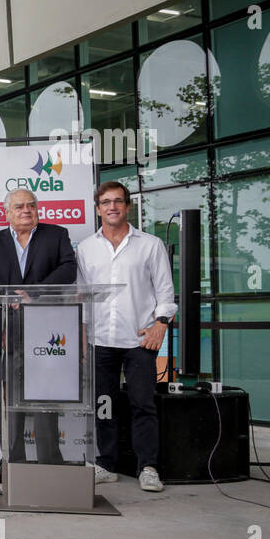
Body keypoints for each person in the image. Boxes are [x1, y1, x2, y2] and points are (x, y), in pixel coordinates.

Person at [76, 180, 176, 493]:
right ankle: (106, 464)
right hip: (100, 340)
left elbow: (165, 292)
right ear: (97, 209)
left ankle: (148, 467)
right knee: (103, 404)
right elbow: (81, 296)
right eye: (106, 202)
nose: (112, 207)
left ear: (127, 206)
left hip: (139, 341)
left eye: (118, 201)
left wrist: (161, 324)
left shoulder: (150, 244)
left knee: (143, 405)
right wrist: (81, 337)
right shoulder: (86, 248)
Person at [0, 188, 78, 472]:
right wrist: (10, 295)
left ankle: (49, 463)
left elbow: (68, 270)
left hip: (46, 334)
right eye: (19, 207)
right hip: (5, 331)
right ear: (7, 213)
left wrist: (33, 293)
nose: (26, 210)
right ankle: (13, 463)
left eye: (31, 205)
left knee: (44, 398)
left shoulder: (57, 235)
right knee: (10, 402)